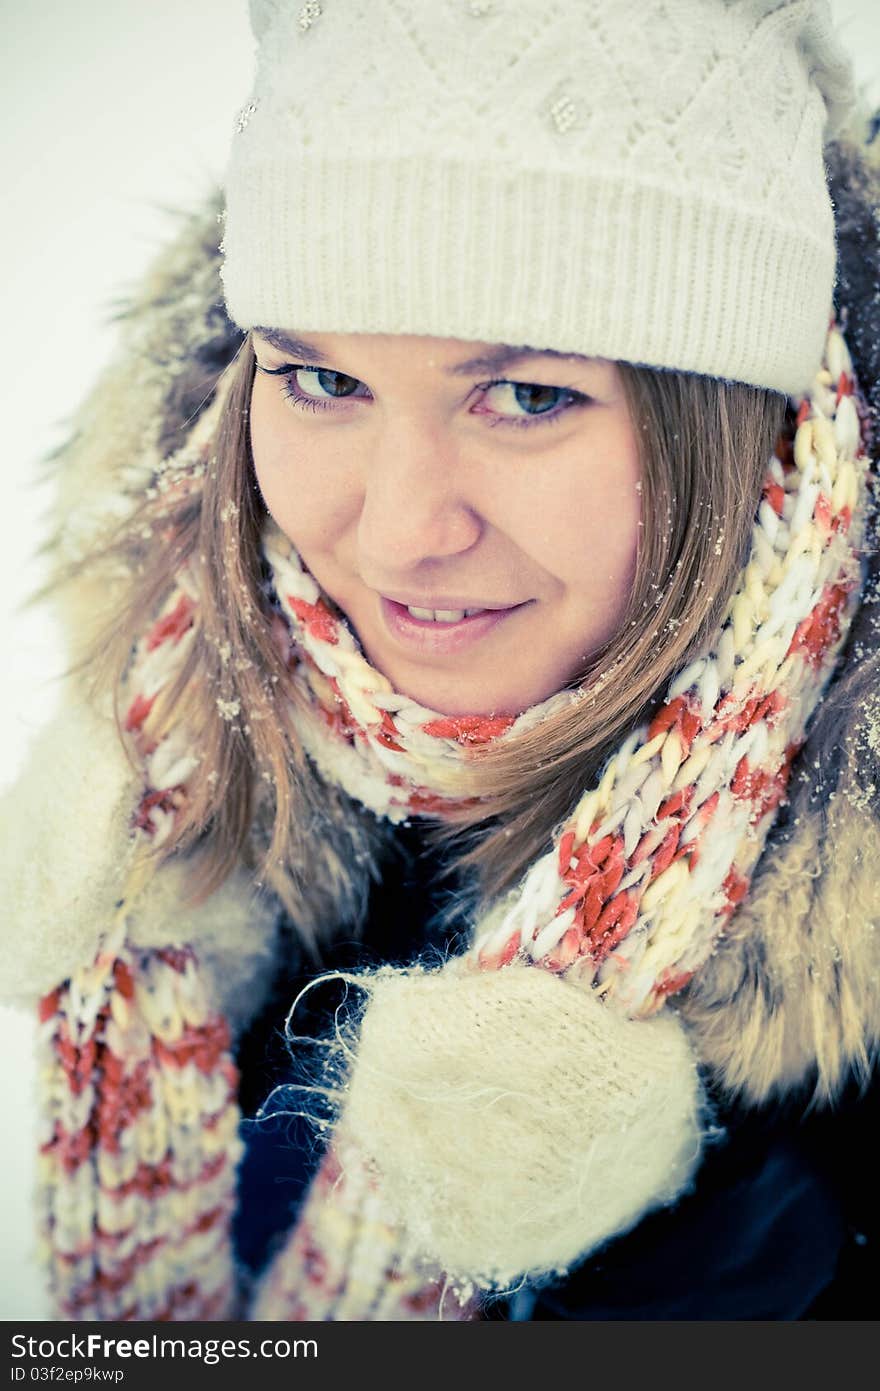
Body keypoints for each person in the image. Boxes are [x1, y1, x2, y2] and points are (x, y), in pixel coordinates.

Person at [2, 0, 879, 1322]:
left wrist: (716, 1236)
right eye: (322, 383)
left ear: (738, 422)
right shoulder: (184, 773)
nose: (406, 533)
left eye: (528, 396)